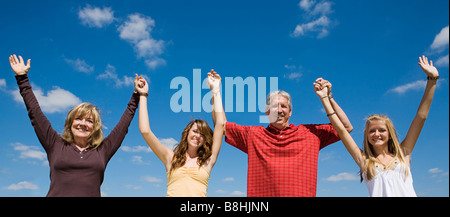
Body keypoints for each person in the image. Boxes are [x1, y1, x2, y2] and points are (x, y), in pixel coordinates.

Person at [8, 54, 145, 197]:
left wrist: (136, 95)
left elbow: (123, 127)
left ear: (94, 128)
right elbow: (35, 114)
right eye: (78, 119)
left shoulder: (103, 150)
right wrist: (22, 79)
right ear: (70, 123)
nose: (83, 124)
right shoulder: (54, 143)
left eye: (89, 121)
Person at [314, 55, 439, 197]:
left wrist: (432, 80)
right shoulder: (364, 160)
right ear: (366, 135)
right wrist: (325, 98)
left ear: (389, 133)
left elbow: (421, 117)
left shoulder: (404, 153)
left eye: (381, 130)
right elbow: (342, 131)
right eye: (371, 131)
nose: (376, 134)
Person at [216, 73, 353, 197]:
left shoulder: (311, 134)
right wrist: (215, 91)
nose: (279, 110)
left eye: (284, 106)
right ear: (267, 111)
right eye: (275, 106)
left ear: (290, 112)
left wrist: (327, 97)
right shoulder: (253, 135)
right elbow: (221, 125)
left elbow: (346, 127)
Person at [138, 69, 225, 197]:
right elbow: (145, 131)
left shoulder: (208, 161)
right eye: (195, 131)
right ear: (187, 133)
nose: (197, 136)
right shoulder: (170, 158)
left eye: (202, 134)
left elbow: (220, 124)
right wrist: (143, 95)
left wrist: (215, 90)